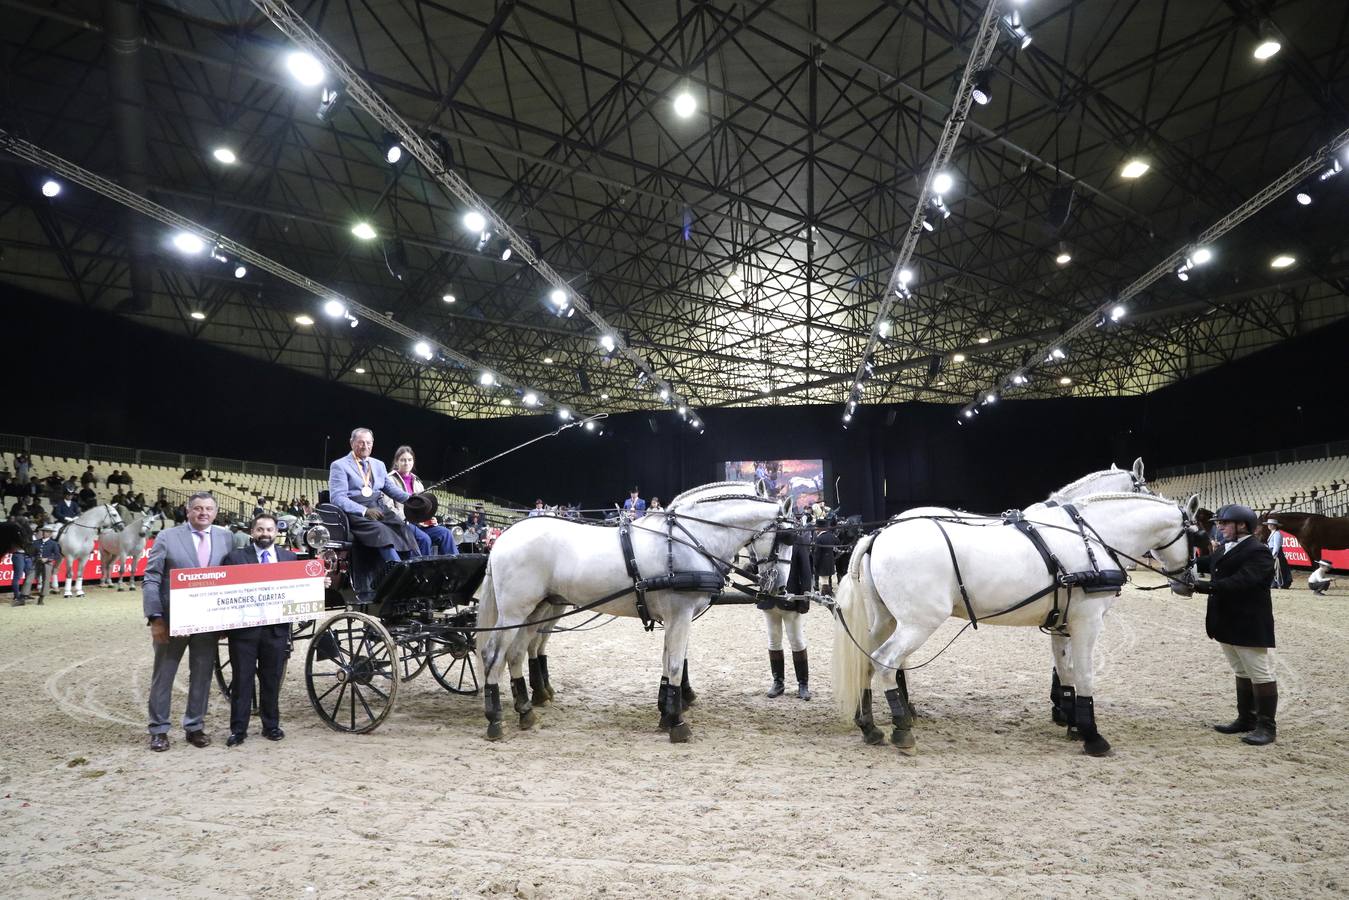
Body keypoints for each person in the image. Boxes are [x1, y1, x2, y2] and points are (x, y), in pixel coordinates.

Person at [142, 491, 230, 751]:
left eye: (208, 509)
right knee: (164, 675)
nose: (203, 513)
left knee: (202, 675)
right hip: (172, 620)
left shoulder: (225, 537)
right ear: (187, 510)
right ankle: (159, 729)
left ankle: (195, 726)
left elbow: (233, 577)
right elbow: (151, 578)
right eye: (198, 509)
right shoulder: (167, 537)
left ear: (215, 512)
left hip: (208, 621)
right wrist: (155, 618)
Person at [1191, 504, 1279, 746]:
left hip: (1249, 622)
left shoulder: (1258, 551)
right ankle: (1246, 719)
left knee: (1260, 673)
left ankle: (1266, 726)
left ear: (1242, 525)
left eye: (1224, 523)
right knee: (1241, 671)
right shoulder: (1225, 549)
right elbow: (1207, 563)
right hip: (1226, 621)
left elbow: (1244, 580)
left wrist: (1207, 586)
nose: (1219, 527)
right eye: (1219, 523)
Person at [221, 513, 295, 747]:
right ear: (252, 532)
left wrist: (318, 584)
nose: (265, 534)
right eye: (260, 530)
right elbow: (223, 592)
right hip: (244, 631)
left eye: (270, 530)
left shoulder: (289, 558)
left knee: (271, 679)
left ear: (276, 533)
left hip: (275, 630)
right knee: (242, 681)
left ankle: (271, 726)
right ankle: (238, 729)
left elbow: (298, 590)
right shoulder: (234, 558)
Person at [328, 427, 419, 564]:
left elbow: (390, 488)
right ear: (351, 443)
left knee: (402, 528)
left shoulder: (378, 464)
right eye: (361, 442)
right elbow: (337, 498)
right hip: (355, 513)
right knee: (381, 531)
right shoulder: (339, 465)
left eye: (368, 443)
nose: (365, 446)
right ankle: (396, 570)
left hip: (378, 508)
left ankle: (413, 568)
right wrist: (364, 511)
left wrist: (411, 499)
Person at [757, 527, 815, 700]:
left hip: (791, 599)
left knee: (796, 641)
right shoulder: (765, 542)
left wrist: (805, 597)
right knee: (774, 641)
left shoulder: (798, 541)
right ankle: (778, 682)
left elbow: (806, 571)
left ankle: (803, 684)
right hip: (769, 600)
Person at [386, 446, 456, 555]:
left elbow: (424, 507)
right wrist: (410, 518)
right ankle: (423, 571)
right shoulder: (389, 480)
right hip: (402, 524)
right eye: (403, 460)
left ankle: (453, 569)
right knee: (424, 539)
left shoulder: (417, 482)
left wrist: (429, 518)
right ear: (396, 461)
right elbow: (389, 509)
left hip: (419, 524)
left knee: (445, 533)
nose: (406, 463)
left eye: (409, 460)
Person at [34, 524, 60, 600]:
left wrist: (48, 559)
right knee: (33, 576)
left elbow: (57, 555)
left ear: (50, 534)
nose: (45, 533)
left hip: (47, 563)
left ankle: (42, 595)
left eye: (48, 532)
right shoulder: (36, 542)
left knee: (46, 579)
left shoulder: (54, 543)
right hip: (36, 562)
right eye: (44, 532)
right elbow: (32, 552)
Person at [1265, 519, 1293, 589]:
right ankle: (1274, 583)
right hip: (1272, 551)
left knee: (1279, 568)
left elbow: (1276, 546)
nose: (1269, 526)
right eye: (1269, 524)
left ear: (1275, 526)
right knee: (1274, 568)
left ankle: (1281, 583)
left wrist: (1274, 555)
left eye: (1271, 524)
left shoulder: (1277, 533)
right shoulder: (1273, 533)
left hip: (1277, 554)